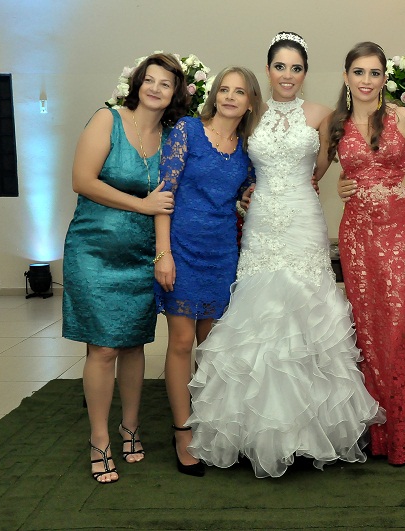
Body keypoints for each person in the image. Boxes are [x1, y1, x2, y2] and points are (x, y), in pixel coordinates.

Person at [185, 32, 384, 478]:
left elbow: (321, 169)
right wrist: (247, 192)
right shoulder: (250, 114)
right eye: (280, 67)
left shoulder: (322, 115)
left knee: (307, 315)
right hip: (261, 224)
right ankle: (255, 430)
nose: (288, 75)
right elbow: (234, 160)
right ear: (268, 70)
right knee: (259, 316)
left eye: (296, 68)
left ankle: (311, 433)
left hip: (303, 220)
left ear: (305, 73)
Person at [62, 53, 187, 483]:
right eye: (149, 80)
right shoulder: (108, 119)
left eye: (165, 83)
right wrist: (141, 204)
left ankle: (129, 426)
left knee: (134, 344)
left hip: (142, 255)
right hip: (93, 250)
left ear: (175, 93)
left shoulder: (172, 136)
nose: (155, 88)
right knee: (103, 348)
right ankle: (99, 438)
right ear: (137, 83)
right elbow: (82, 180)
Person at [316, 42, 405, 465]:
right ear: (346, 76)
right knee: (365, 329)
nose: (366, 80)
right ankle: (370, 432)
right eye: (359, 72)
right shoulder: (334, 124)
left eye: (374, 72)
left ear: (384, 78)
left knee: (400, 326)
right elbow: (310, 174)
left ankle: (403, 433)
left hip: (401, 232)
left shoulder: (403, 117)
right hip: (358, 236)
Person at [153, 66, 262, 476]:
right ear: (214, 95)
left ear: (250, 102)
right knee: (182, 342)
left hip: (222, 252)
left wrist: (249, 198)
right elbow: (164, 193)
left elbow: (247, 192)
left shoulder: (247, 149)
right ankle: (182, 432)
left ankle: (210, 426)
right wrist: (163, 254)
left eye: (239, 92)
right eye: (224, 89)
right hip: (181, 248)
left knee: (213, 347)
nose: (230, 97)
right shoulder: (187, 130)